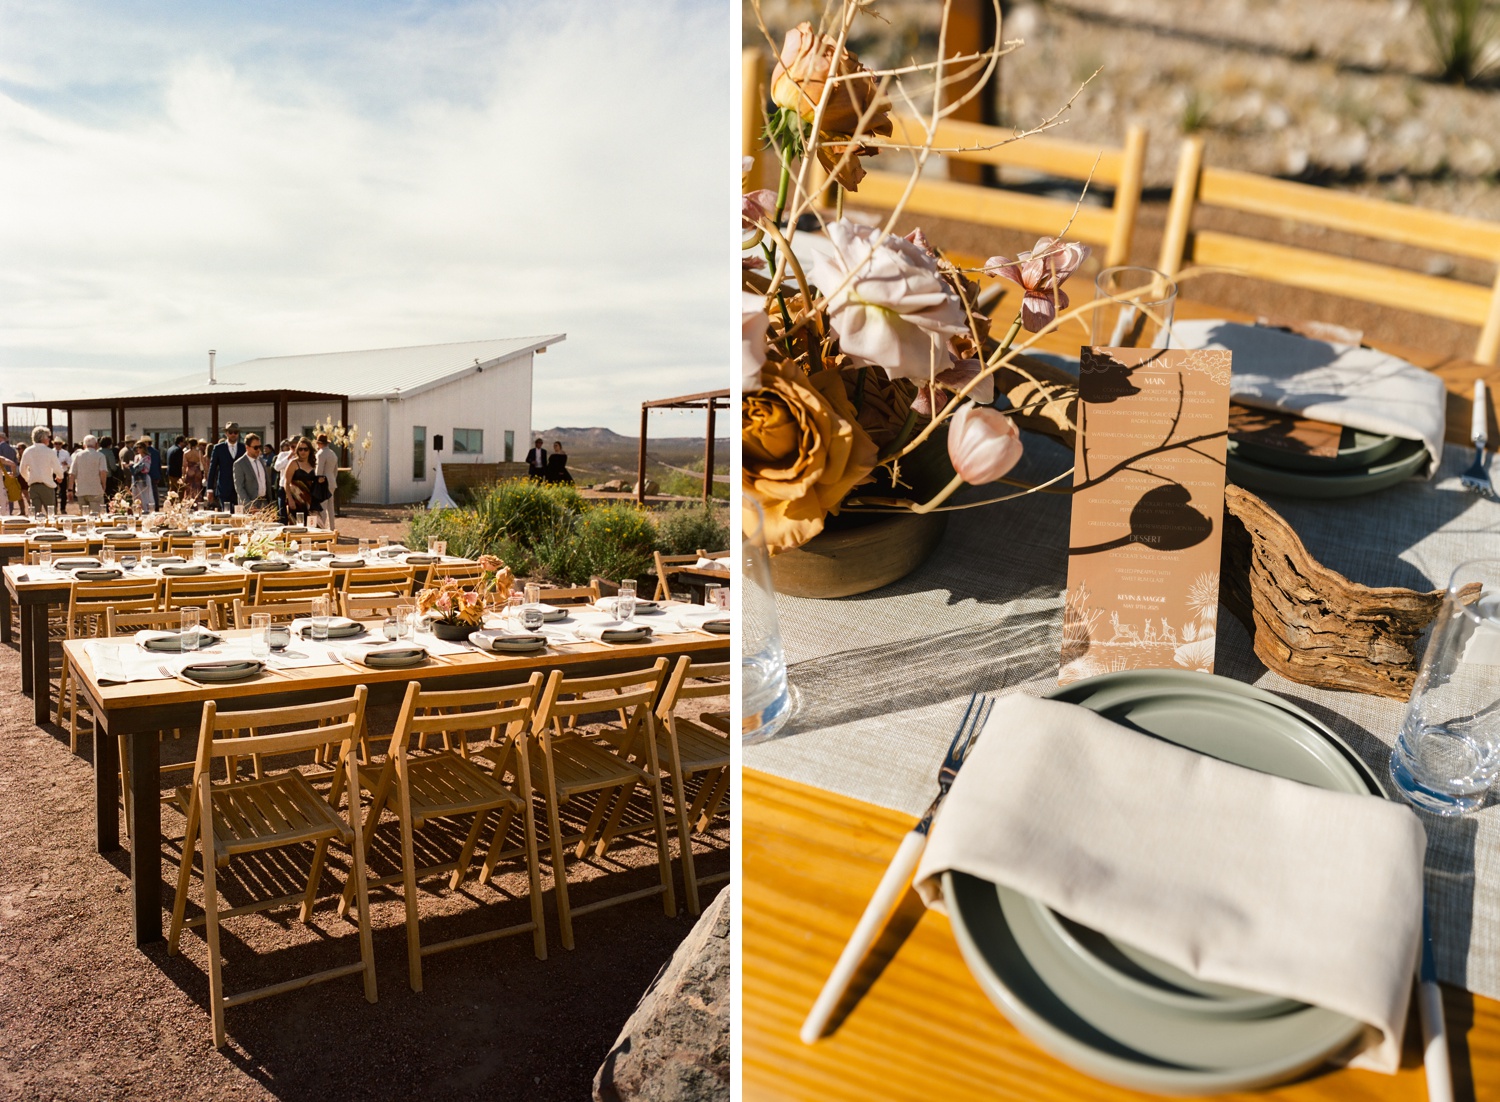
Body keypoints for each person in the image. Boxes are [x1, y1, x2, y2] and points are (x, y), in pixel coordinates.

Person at [18, 427, 64, 514]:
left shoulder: (27, 451)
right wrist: (60, 476)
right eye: (48, 437)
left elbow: (22, 469)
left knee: (35, 514)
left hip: (33, 486)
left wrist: (28, 479)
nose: (49, 439)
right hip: (47, 486)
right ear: (43, 438)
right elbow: (57, 468)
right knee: (51, 514)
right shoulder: (49, 452)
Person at [206, 422, 244, 508]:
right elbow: (212, 469)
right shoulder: (218, 448)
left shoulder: (243, 448)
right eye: (230, 432)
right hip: (224, 488)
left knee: (240, 517)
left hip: (240, 490)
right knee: (226, 515)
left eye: (235, 432)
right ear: (226, 433)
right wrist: (210, 489)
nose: (233, 434)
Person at [232, 433, 272, 511]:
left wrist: (270, 503)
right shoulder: (239, 464)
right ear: (247, 447)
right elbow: (239, 488)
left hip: (264, 504)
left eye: (259, 447)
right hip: (250, 506)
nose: (258, 450)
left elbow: (266, 482)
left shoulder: (261, 460)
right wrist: (249, 505)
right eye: (255, 447)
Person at [70, 435, 109, 515]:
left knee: (84, 516)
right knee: (97, 516)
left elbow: (72, 473)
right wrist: (103, 485)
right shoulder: (100, 456)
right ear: (96, 444)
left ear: (84, 445)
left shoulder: (78, 455)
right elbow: (103, 472)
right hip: (95, 489)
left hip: (81, 490)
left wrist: (70, 489)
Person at [283, 437, 317, 521]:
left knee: (312, 526)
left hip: (310, 500)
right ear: (297, 450)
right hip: (296, 500)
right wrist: (290, 499)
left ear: (310, 450)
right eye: (300, 449)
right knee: (296, 526)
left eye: (305, 449)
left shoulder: (312, 464)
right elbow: (286, 483)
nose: (303, 452)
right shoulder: (293, 463)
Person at [313, 432, 338, 530]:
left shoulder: (320, 454)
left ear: (319, 443)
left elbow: (319, 470)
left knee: (322, 507)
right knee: (330, 507)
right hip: (331, 481)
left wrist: (316, 482)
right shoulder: (333, 453)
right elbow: (335, 470)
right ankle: (332, 528)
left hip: (323, 482)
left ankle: (322, 528)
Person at [129, 440, 155, 512]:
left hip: (143, 477)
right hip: (136, 477)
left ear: (143, 448)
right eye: (137, 448)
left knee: (145, 494)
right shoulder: (136, 457)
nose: (138, 449)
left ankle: (146, 508)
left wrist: (138, 467)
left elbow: (147, 469)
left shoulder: (147, 457)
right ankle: (138, 508)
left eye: (140, 447)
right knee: (136, 493)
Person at [272, 438, 294, 522]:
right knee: (282, 513)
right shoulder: (283, 455)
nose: (293, 448)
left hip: (295, 488)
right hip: (283, 487)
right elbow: (277, 467)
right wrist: (289, 457)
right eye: (291, 446)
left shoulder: (302, 454)